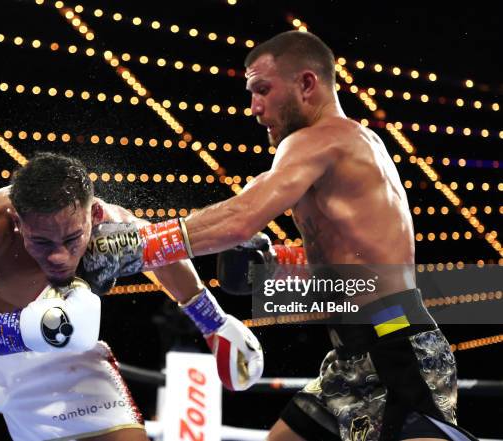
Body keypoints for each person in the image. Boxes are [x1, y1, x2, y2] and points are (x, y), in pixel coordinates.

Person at [87, 31, 477, 441]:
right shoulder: (345, 149)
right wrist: (270, 268)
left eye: (262, 90)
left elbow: (239, 219)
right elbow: (351, 271)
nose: (254, 108)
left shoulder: (319, 140)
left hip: (395, 351)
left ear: (307, 84)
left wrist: (134, 247)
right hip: (352, 359)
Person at [0, 153, 263, 441]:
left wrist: (213, 323)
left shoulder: (110, 227)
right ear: (19, 221)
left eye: (71, 240)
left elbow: (161, 255)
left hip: (60, 357)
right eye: (41, 242)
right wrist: (25, 329)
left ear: (94, 214)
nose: (58, 256)